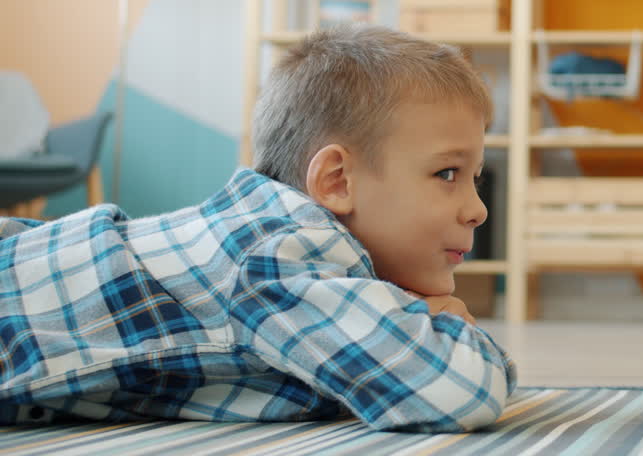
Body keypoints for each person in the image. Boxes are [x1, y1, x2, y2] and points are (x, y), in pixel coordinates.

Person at [0, 25, 516, 431]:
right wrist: (456, 331)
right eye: (447, 173)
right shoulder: (280, 258)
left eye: (474, 178)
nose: (478, 209)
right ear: (336, 180)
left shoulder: (278, 256)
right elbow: (458, 388)